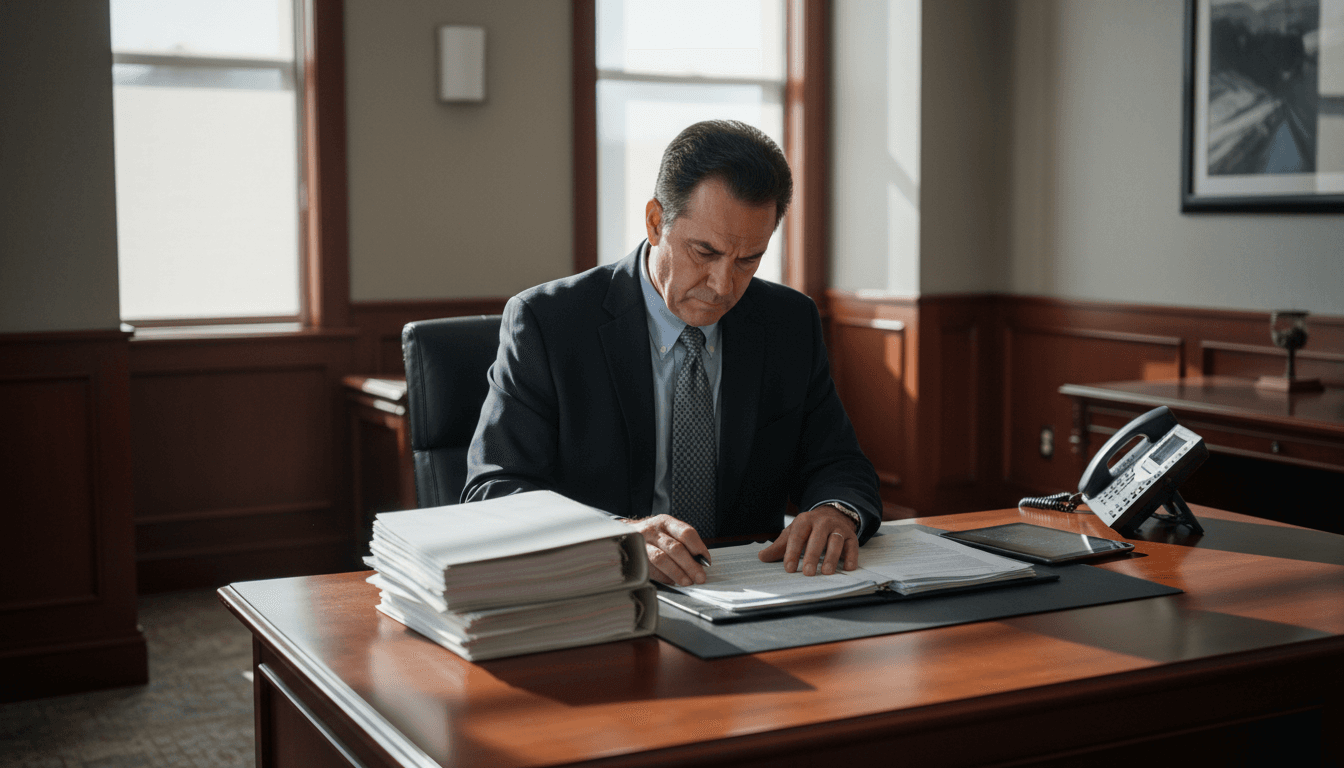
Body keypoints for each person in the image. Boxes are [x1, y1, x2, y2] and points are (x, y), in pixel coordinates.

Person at [464, 120, 881, 587]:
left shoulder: (788, 323)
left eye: (748, 260)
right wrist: (613, 537)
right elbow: (493, 490)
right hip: (602, 594)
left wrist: (835, 511)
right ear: (656, 222)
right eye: (704, 252)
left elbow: (838, 462)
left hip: (750, 593)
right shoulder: (549, 323)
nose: (723, 286)